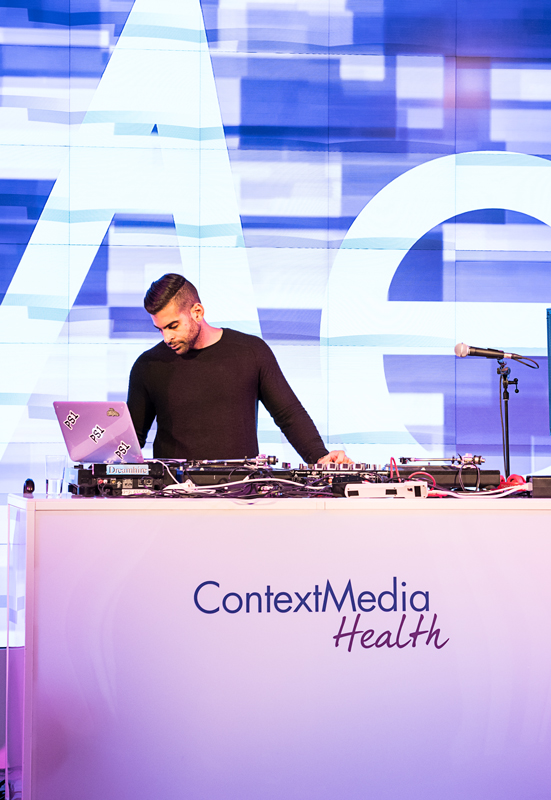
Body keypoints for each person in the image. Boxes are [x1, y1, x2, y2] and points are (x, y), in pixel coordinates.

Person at [127, 273, 352, 464]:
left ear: (197, 312)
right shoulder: (148, 366)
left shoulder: (250, 351)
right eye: (160, 329)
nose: (167, 337)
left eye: (173, 326)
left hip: (241, 492)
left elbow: (288, 415)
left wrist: (320, 458)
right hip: (173, 494)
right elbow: (131, 440)